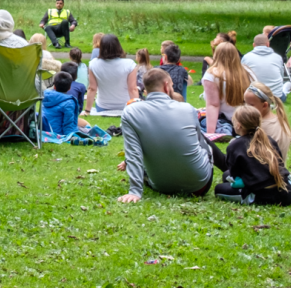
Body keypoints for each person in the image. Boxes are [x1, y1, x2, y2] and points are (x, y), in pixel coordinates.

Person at [117, 70, 221, 203]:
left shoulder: (131, 112)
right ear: (166, 86)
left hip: (161, 186)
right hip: (199, 185)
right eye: (172, 85)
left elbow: (133, 153)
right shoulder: (187, 109)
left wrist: (135, 191)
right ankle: (230, 169)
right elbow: (200, 144)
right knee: (203, 141)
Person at [203, 42, 254, 136]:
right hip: (248, 121)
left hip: (226, 122)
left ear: (216, 55)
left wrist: (210, 134)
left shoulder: (212, 74)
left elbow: (213, 105)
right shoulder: (248, 71)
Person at [87, 33, 138, 115]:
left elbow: (92, 88)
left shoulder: (93, 64)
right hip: (126, 105)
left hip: (102, 106)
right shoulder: (129, 64)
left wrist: (87, 110)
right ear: (118, 46)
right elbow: (133, 89)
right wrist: (137, 110)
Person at [243, 81, 291, 160]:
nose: (245, 108)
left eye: (251, 105)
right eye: (245, 103)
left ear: (264, 105)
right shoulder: (279, 120)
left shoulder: (260, 127)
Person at [243, 33, 290, 99]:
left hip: (254, 96)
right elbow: (281, 76)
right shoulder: (278, 57)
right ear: (268, 44)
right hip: (276, 97)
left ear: (254, 45)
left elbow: (242, 77)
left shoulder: (246, 58)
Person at [41, 71, 80, 136]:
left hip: (44, 131)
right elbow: (68, 124)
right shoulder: (69, 103)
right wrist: (70, 137)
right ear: (69, 88)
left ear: (54, 86)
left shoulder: (45, 96)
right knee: (85, 129)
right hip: (58, 134)